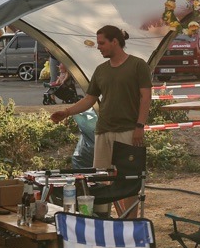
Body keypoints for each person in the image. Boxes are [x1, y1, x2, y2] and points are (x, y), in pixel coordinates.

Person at [50, 25, 151, 175]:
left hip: (128, 130)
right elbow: (89, 99)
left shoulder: (137, 65)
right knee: (101, 178)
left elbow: (146, 97)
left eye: (102, 43)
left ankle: (129, 200)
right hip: (103, 130)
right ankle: (109, 200)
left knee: (128, 178)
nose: (98, 47)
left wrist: (139, 126)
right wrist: (66, 112)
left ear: (115, 42)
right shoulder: (100, 70)